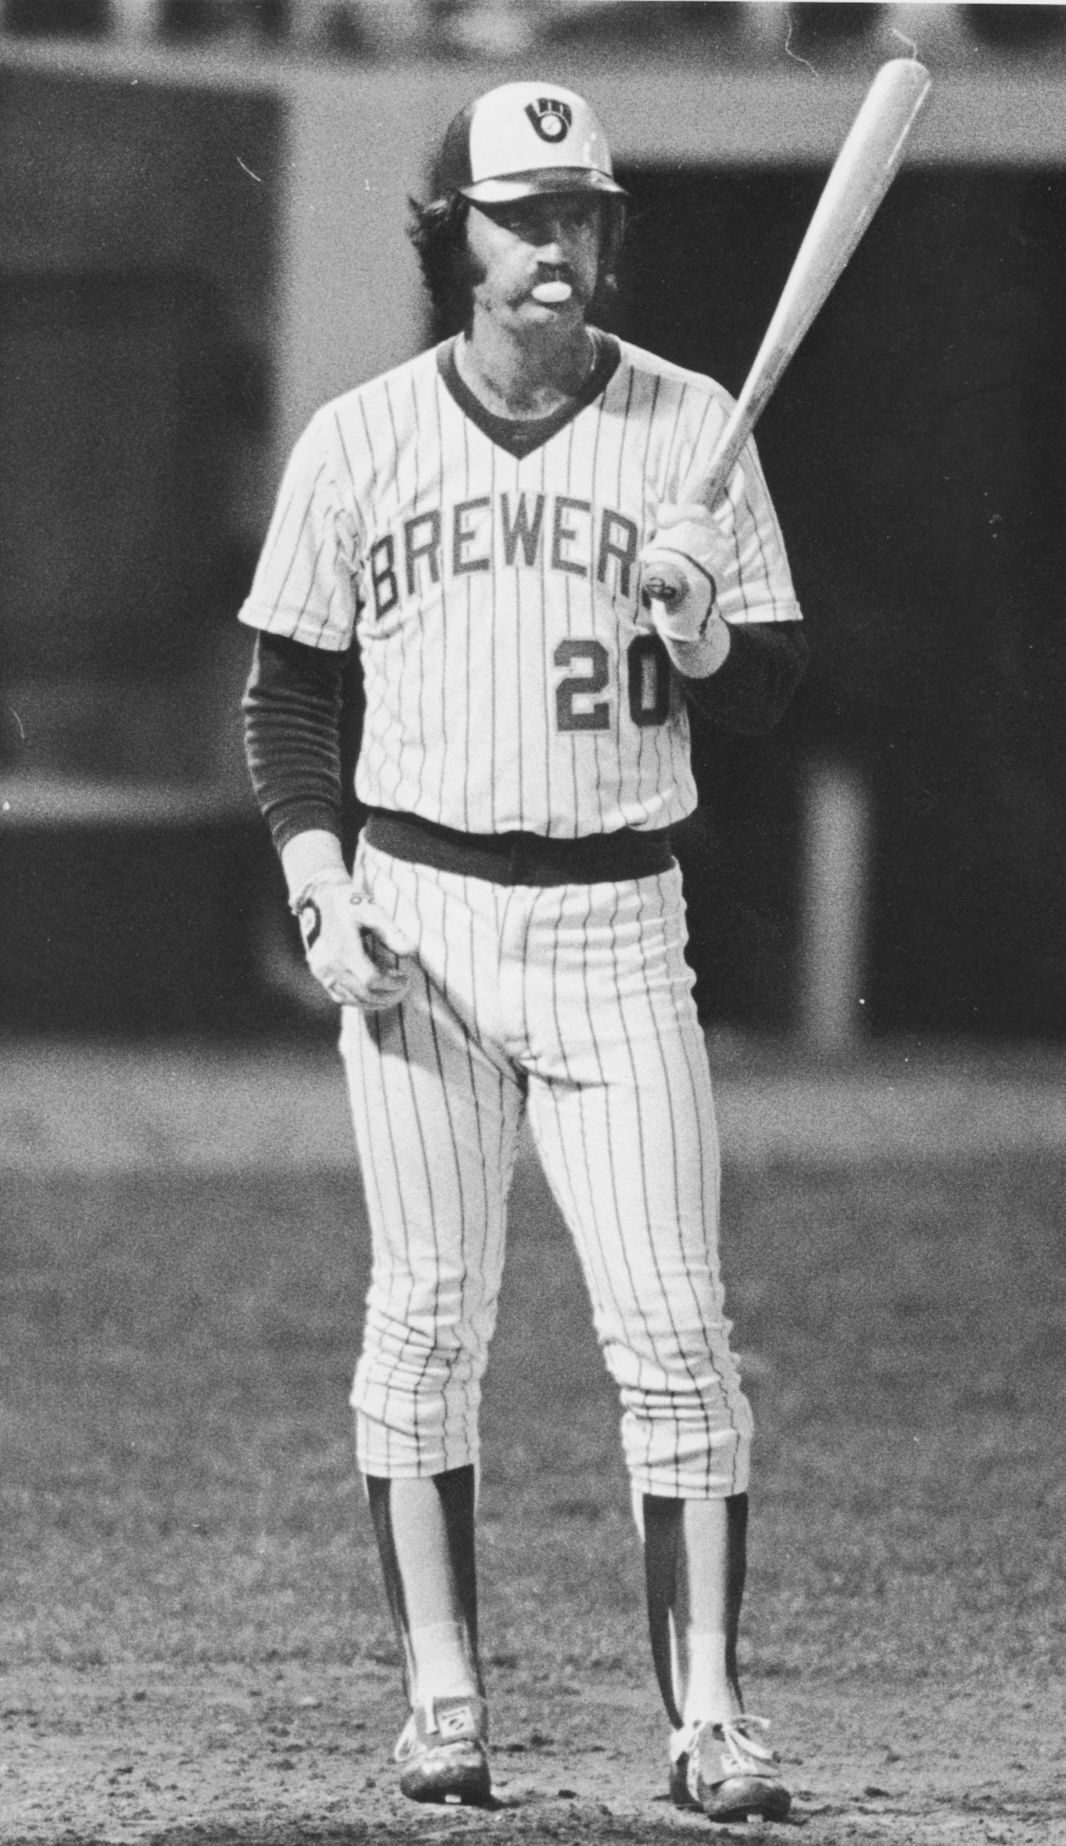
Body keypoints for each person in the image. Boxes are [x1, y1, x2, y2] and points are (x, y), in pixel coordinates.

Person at [240, 79, 807, 1824]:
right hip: (415, 919)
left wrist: (707, 628)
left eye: (578, 216)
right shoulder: (360, 440)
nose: (553, 247)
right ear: (455, 238)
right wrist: (321, 885)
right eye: (517, 216)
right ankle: (442, 1703)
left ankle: (707, 1719)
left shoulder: (695, 427)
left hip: (619, 921)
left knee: (673, 1332)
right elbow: (290, 694)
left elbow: (780, 704)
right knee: (421, 1322)